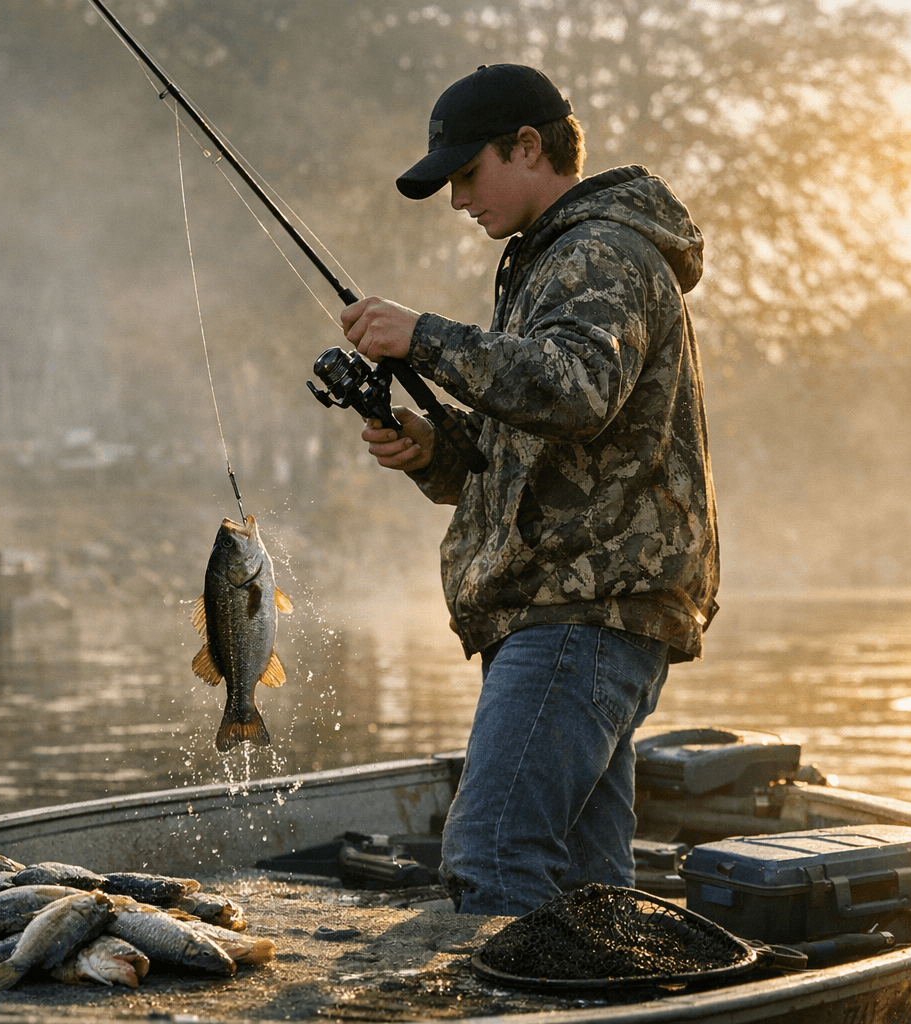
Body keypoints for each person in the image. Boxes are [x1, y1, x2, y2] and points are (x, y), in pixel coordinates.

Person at [340, 64, 719, 917]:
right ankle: (603, 985)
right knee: (591, 894)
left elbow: (577, 389)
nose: (457, 199)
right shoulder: (555, 259)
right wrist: (434, 452)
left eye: (467, 173)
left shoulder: (600, 250)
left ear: (527, 146)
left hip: (582, 612)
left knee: (492, 856)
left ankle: (509, 991)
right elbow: (536, 449)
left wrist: (424, 337)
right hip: (580, 609)